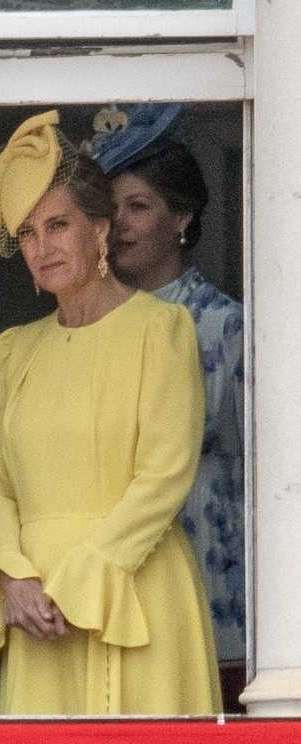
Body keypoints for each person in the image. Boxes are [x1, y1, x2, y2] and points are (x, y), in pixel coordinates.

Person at [0, 109, 222, 715]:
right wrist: (13, 575)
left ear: (100, 229)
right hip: (38, 609)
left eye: (58, 225)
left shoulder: (163, 329)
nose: (42, 247)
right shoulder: (12, 351)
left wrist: (89, 576)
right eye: (27, 233)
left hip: (134, 589)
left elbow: (165, 475)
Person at [90, 103, 246, 697]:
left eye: (138, 206)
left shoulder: (229, 331)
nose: (120, 225)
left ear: (181, 216)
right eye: (110, 210)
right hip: (110, 598)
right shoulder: (85, 330)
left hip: (213, 591)